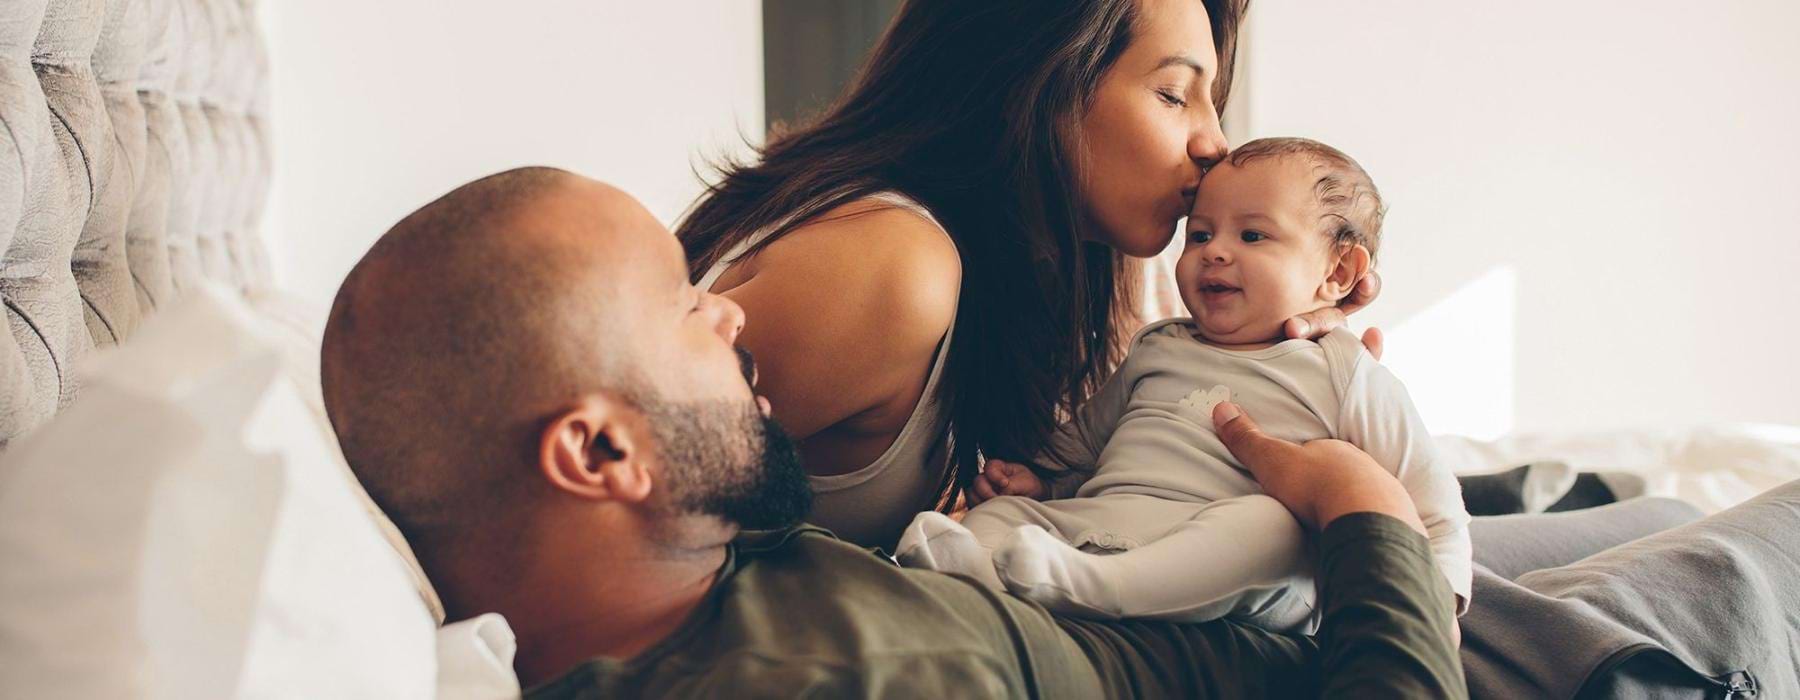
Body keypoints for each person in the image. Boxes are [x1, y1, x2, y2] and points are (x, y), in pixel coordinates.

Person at [320, 168, 1464, 697]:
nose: (730, 310)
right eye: (684, 305)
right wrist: (1356, 501)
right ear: (599, 454)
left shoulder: (699, 565)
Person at [675, 0, 1384, 551]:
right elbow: (612, 507)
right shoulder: (892, 266)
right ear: (1036, 81)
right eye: (1174, 95)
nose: (1215, 142)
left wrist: (1290, 360)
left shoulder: (1070, 267)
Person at [895, 138, 1472, 635]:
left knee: (1271, 527)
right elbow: (1086, 443)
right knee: (1009, 515)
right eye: (1198, 235)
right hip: (1108, 522)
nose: (1214, 251)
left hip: (1229, 563)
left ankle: (1091, 586)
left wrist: (1437, 602)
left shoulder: (1342, 371)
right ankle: (973, 568)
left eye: (1252, 235)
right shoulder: (1158, 344)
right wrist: (1037, 478)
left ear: (1339, 273)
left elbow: (1432, 502)